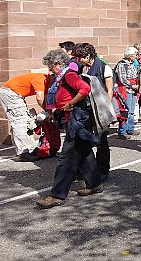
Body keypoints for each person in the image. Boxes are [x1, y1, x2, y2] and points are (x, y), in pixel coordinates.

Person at [36, 50, 102, 209]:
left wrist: (70, 104)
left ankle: (57, 195)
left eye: (51, 67)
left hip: (76, 119)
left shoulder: (69, 75)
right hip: (74, 119)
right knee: (84, 152)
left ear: (58, 64)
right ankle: (95, 184)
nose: (50, 70)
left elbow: (84, 89)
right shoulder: (63, 76)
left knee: (66, 158)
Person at [73, 43, 114, 180]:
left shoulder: (103, 66)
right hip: (85, 108)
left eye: (81, 57)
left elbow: (109, 89)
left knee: (101, 141)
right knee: (84, 139)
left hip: (100, 108)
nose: (78, 60)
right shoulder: (81, 67)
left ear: (89, 55)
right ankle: (85, 169)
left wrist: (106, 108)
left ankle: (102, 171)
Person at [0, 72, 47, 160]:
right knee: (20, 122)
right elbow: (40, 98)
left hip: (12, 93)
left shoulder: (45, 81)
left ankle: (26, 149)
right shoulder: (41, 79)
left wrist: (48, 112)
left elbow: (45, 100)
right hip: (11, 94)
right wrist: (48, 112)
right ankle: (23, 152)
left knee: (19, 121)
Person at [114, 47, 141, 139]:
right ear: (130, 56)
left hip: (133, 89)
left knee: (132, 111)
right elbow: (122, 79)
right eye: (135, 54)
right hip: (125, 90)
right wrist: (132, 85)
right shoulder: (122, 64)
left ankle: (130, 128)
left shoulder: (132, 64)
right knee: (125, 111)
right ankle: (122, 131)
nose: (137, 56)